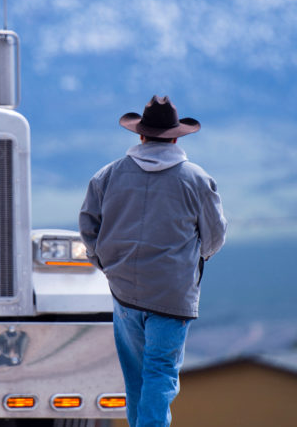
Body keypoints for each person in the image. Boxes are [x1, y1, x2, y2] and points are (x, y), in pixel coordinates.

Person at [79, 95, 227, 427]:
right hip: (172, 296)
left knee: (135, 380)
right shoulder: (197, 180)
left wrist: (105, 263)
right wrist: (190, 261)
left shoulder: (108, 175)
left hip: (124, 293)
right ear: (176, 137)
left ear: (140, 135)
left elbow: (88, 226)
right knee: (160, 375)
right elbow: (215, 237)